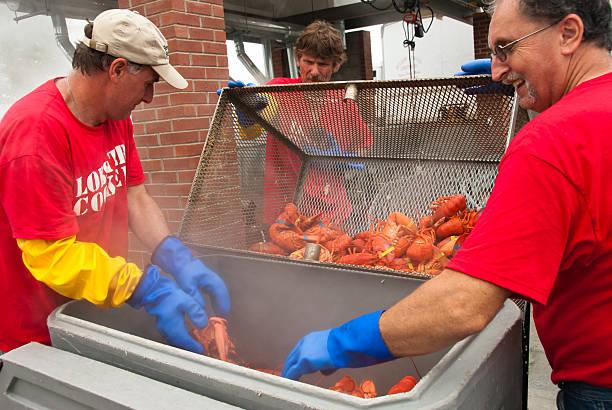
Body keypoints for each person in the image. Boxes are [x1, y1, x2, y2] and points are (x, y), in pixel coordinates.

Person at [280, 1, 612, 408]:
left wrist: (340, 342)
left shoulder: (551, 141)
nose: (495, 70)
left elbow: (463, 305)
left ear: (569, 34)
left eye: (506, 48)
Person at [0, 9, 230, 354]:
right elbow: (52, 257)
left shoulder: (114, 117)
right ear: (118, 70)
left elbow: (134, 195)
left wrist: (170, 251)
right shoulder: (35, 136)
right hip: (35, 337)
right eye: (149, 83)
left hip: (93, 308)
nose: (150, 97)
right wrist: (145, 287)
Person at [222, 20, 373, 226]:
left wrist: (344, 159)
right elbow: (253, 131)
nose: (314, 72)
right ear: (298, 59)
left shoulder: (344, 102)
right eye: (308, 62)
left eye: (323, 64)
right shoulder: (279, 90)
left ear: (335, 65)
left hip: (331, 210)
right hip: (284, 207)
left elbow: (364, 150)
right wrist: (248, 112)